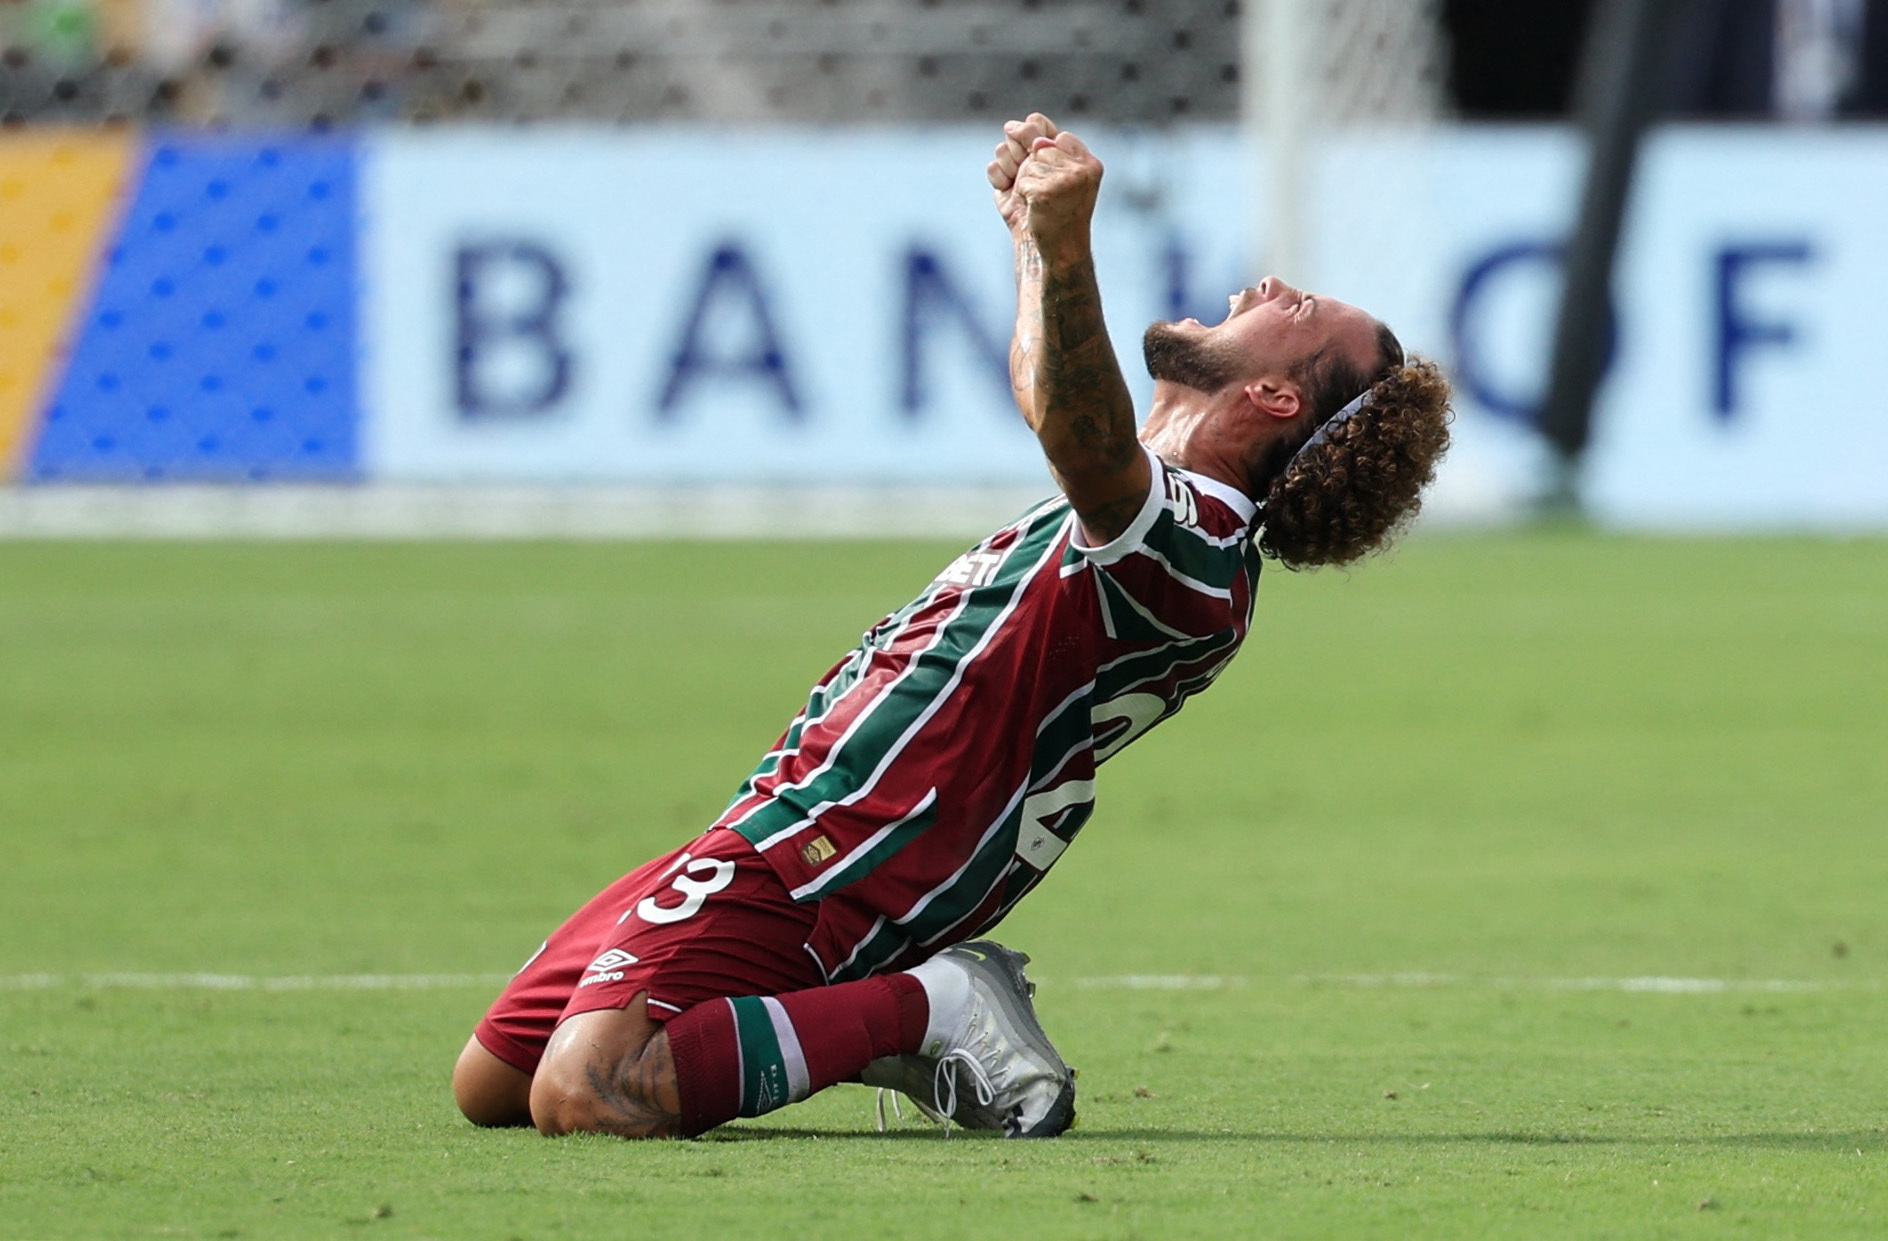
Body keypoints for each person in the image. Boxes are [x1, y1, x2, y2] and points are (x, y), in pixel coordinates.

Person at [451, 113, 1453, 1140]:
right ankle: (877, 1023)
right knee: (490, 1078)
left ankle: (937, 1006)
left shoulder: (1193, 547)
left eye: (1301, 309)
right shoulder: (1147, 515)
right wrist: (1029, 231)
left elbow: (1075, 425)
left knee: (591, 1090)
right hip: (783, 819)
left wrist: (1067, 244)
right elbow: (1051, 396)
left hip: (842, 857)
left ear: (1278, 393)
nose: (1264, 285)